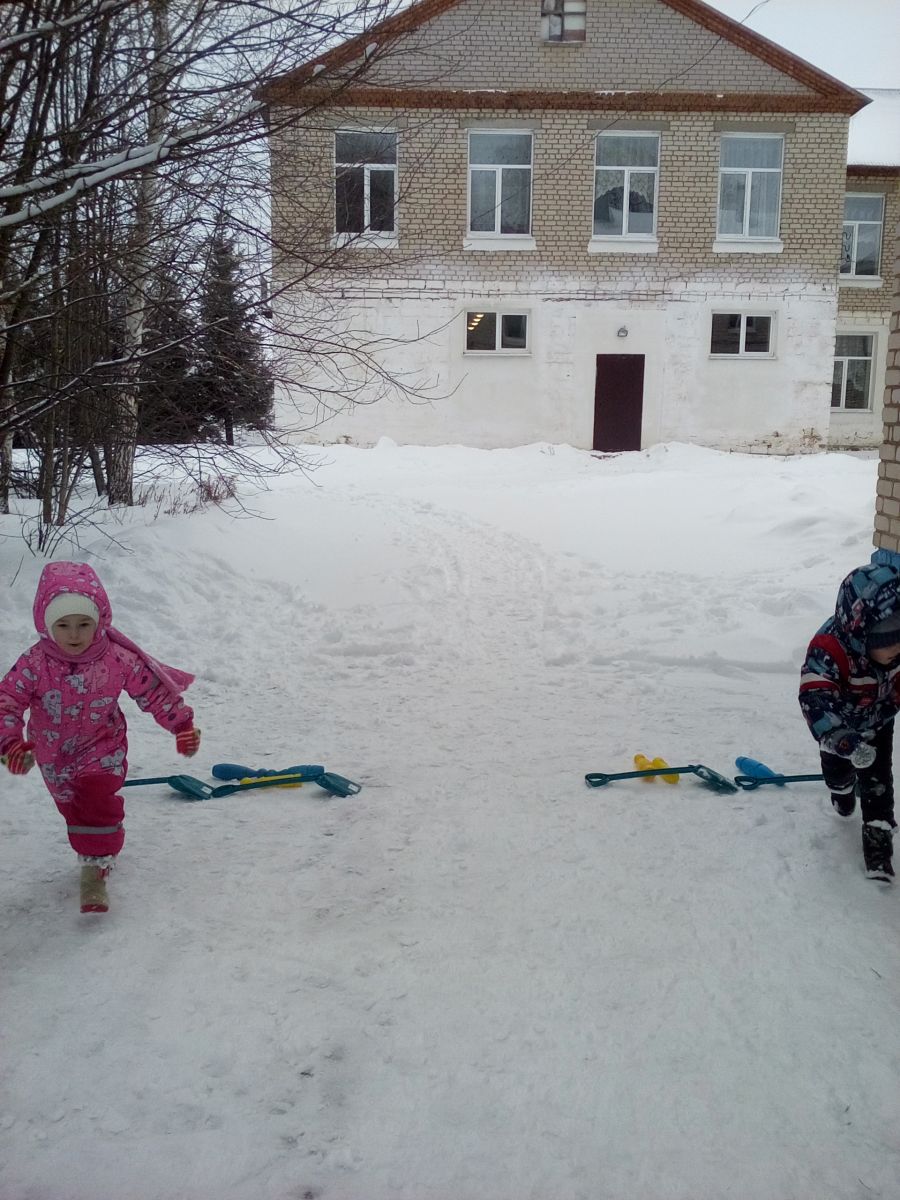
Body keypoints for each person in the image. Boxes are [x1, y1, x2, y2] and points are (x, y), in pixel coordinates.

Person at [0, 561, 201, 913]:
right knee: (73, 809)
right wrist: (10, 743)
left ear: (99, 621)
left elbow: (154, 692)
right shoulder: (34, 663)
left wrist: (181, 725)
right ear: (47, 625)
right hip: (53, 756)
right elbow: (7, 702)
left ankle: (94, 872)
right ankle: (92, 846)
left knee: (95, 803)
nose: (74, 634)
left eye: (84, 624)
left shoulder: (116, 658)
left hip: (102, 747)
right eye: (63, 625)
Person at [799, 561, 900, 882]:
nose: (897, 647)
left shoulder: (896, 654)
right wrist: (836, 735)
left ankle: (878, 848)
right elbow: (815, 695)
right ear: (861, 632)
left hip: (878, 721)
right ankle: (841, 791)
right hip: (839, 730)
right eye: (888, 640)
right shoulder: (829, 648)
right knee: (838, 774)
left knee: (878, 783)